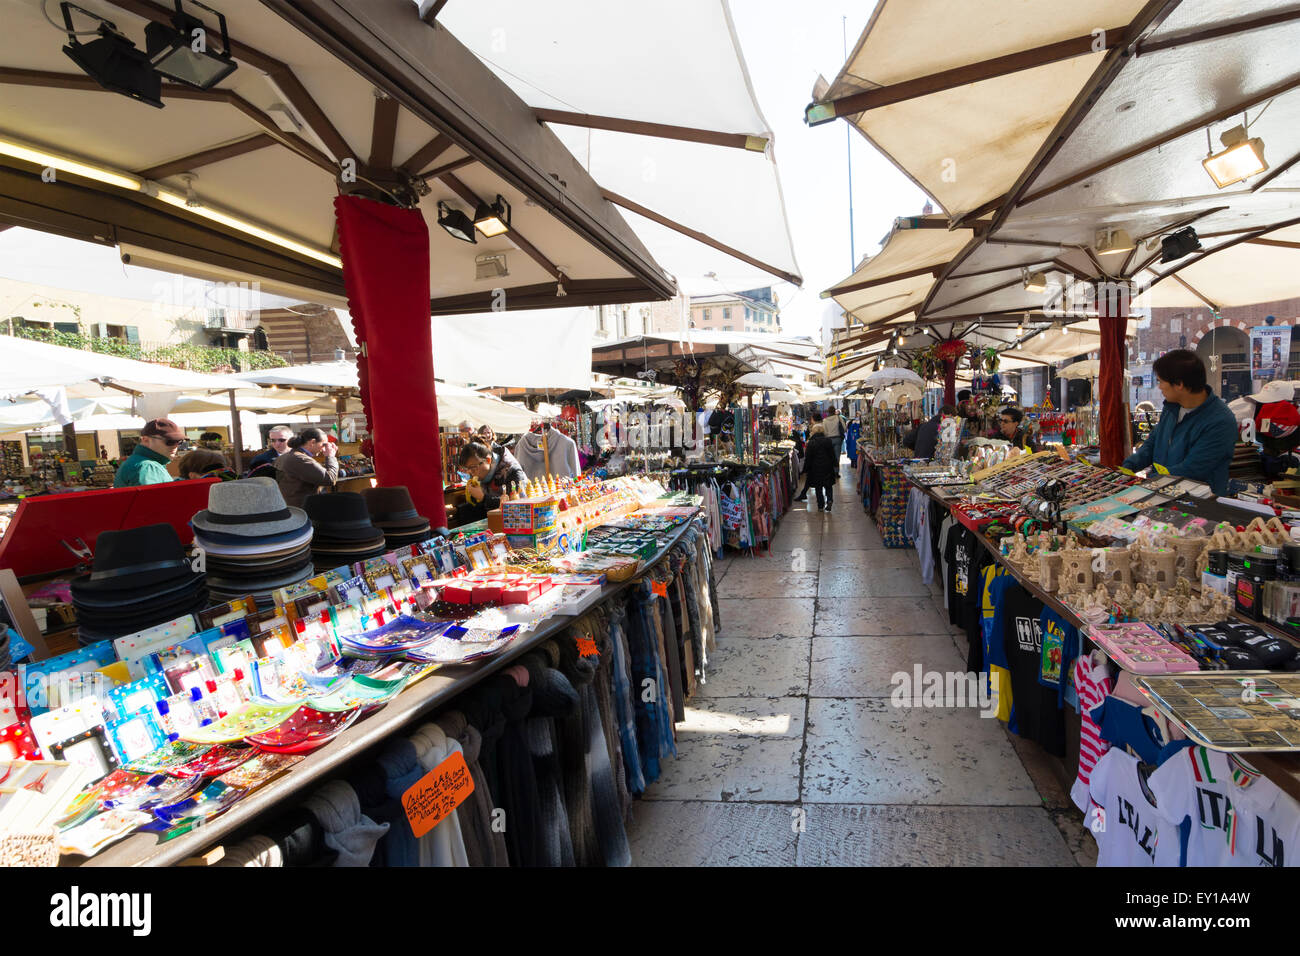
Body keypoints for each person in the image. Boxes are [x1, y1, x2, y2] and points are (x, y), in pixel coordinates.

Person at [1121, 349, 1238, 495]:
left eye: (1161, 381)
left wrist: (1149, 481)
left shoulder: (1220, 422)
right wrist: (1128, 467)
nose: (1159, 387)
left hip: (1197, 504)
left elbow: (1192, 470)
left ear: (1179, 384)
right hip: (1161, 491)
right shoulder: (1171, 408)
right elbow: (1152, 443)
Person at [454, 440, 528, 525]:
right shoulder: (482, 475)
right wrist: (456, 510)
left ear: (488, 460)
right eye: (467, 469)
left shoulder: (512, 470)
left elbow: (516, 506)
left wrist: (484, 498)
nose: (471, 472)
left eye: (473, 467)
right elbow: (479, 507)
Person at [275, 427, 339, 508]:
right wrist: (331, 456)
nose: (323, 449)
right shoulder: (300, 459)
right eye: (323, 444)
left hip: (290, 508)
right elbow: (330, 479)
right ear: (312, 442)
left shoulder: (284, 457)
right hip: (302, 510)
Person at [113, 418, 183, 487]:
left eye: (179, 441)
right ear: (145, 440)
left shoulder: (142, 463)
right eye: (170, 441)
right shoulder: (147, 466)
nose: (175, 446)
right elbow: (153, 497)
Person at [802, 423, 838, 512]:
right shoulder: (828, 441)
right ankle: (829, 500)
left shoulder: (811, 442)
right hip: (828, 466)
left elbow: (808, 457)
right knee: (828, 485)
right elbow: (832, 454)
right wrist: (835, 464)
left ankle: (820, 506)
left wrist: (805, 469)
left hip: (815, 468)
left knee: (818, 487)